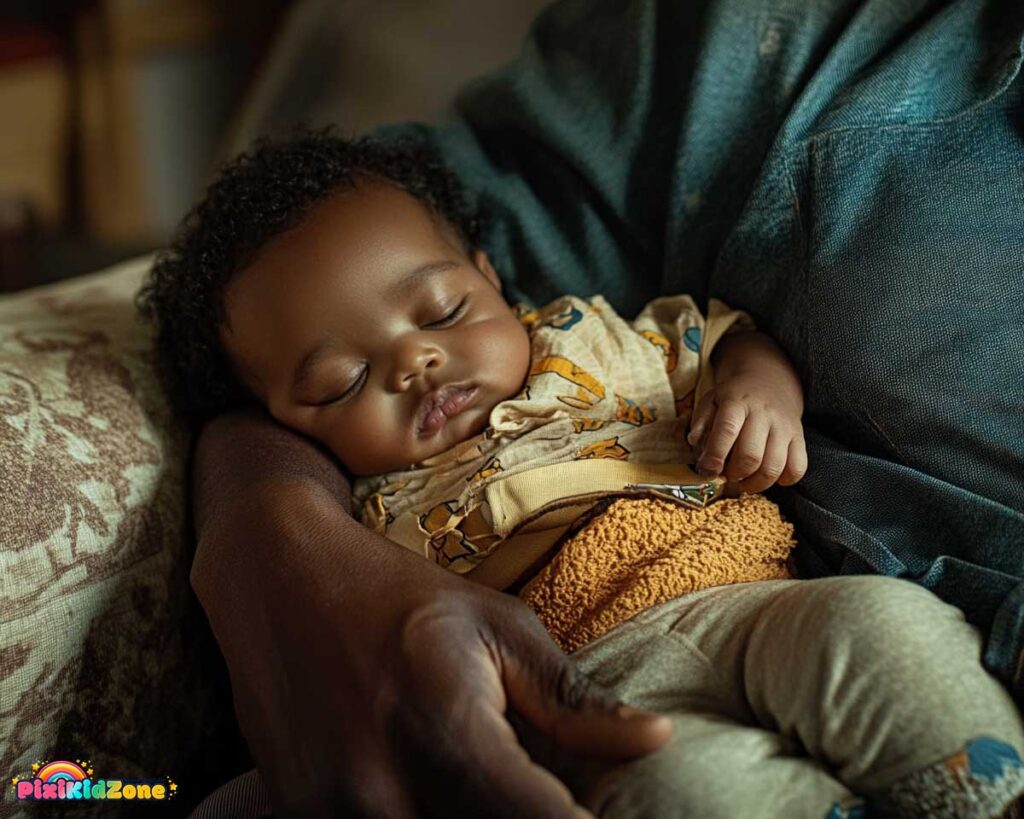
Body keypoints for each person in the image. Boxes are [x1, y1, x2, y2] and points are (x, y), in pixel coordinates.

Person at [165, 0, 1024, 815]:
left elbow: (719, 337)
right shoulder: (365, 517)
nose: (414, 360)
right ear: (285, 418)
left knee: (882, 627)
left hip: (759, 599)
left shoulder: (588, 337)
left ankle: (978, 789)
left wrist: (760, 389)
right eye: (341, 382)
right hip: (595, 684)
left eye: (441, 313)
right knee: (675, 791)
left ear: (490, 276)